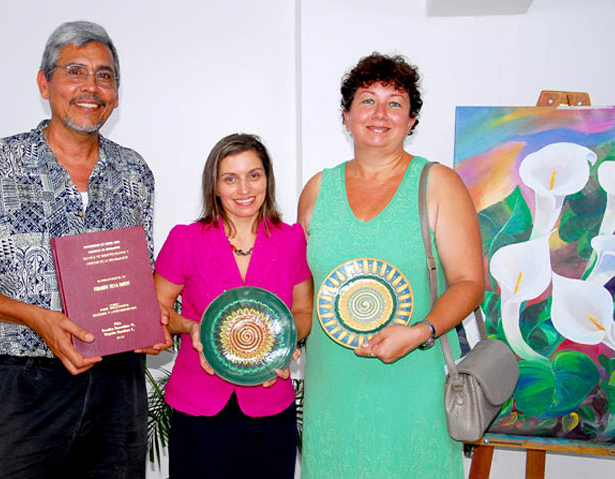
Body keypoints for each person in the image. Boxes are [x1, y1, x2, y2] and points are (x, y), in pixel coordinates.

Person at [0, 21, 170, 479]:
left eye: (105, 75)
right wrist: (35, 317)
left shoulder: (135, 172)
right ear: (44, 82)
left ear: (116, 92)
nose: (91, 87)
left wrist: (150, 320)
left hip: (117, 391)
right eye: (75, 71)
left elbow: (135, 275)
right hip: (21, 391)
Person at [297, 53, 484, 478]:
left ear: (412, 120)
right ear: (346, 116)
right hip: (333, 389)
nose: (380, 114)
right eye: (367, 101)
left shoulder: (438, 183)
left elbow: (470, 282)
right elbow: (304, 287)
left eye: (395, 103)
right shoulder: (317, 190)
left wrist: (420, 333)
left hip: (413, 382)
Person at [154, 134, 313, 479]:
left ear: (267, 179)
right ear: (214, 186)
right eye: (230, 178)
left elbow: (302, 313)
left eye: (254, 175)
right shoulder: (186, 239)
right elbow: (156, 313)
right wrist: (191, 327)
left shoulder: (291, 240)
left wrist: (282, 344)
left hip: (270, 401)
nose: (244, 189)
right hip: (199, 402)